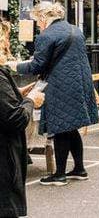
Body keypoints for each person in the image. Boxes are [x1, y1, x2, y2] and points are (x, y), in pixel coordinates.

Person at [10, 2, 98, 186]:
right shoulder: (75, 30)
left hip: (60, 86)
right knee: (71, 127)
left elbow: (37, 66)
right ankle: (79, 169)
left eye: (38, 21)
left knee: (59, 129)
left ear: (43, 17)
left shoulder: (46, 35)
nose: (38, 25)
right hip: (80, 83)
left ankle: (59, 175)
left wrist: (14, 66)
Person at [1, 46, 45, 216]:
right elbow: (15, 118)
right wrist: (30, 101)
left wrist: (15, 94)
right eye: (3, 42)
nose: (7, 49)